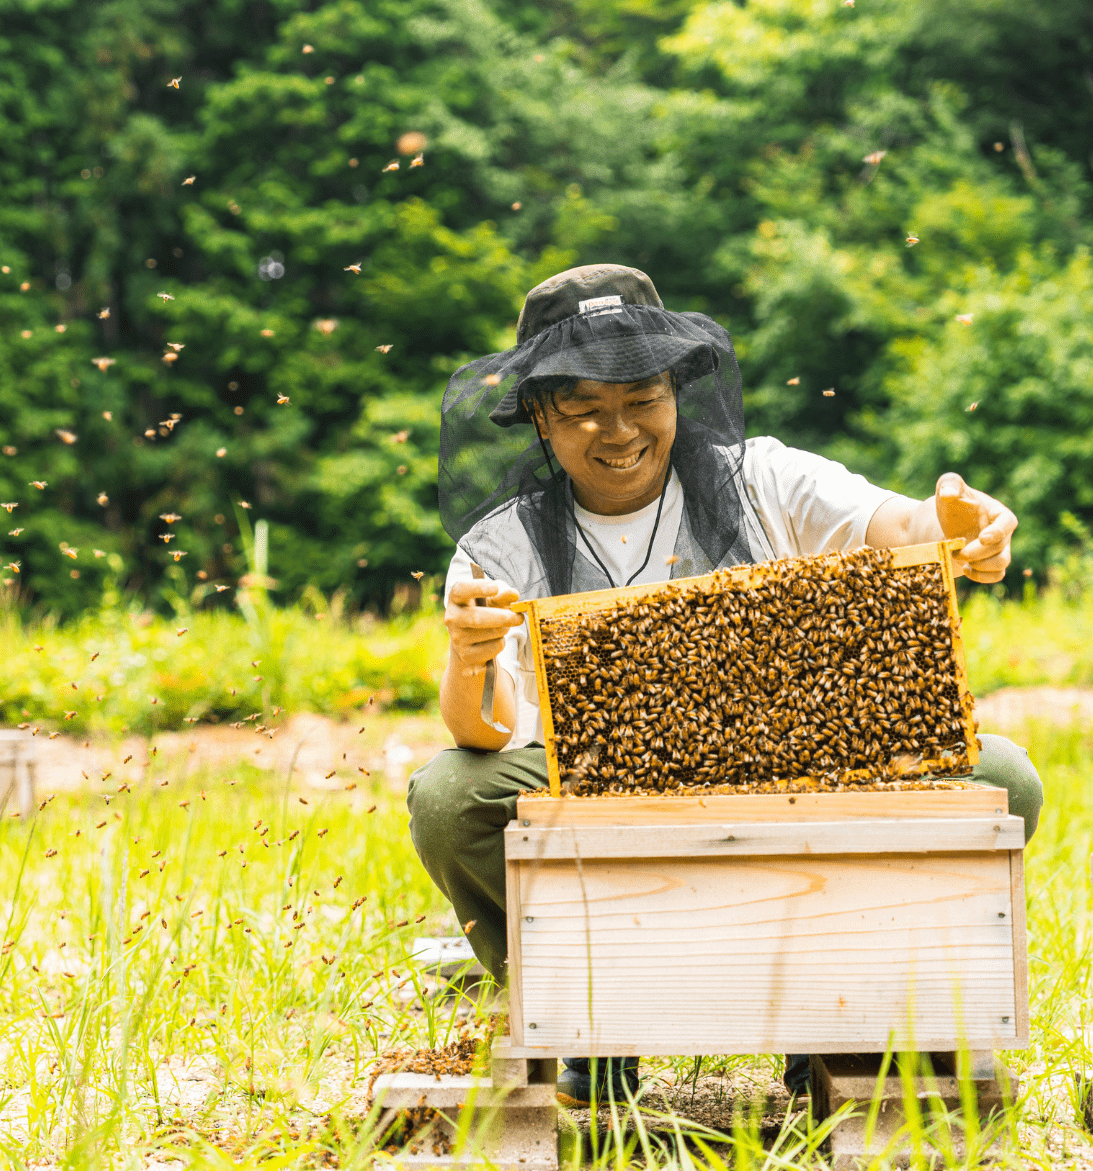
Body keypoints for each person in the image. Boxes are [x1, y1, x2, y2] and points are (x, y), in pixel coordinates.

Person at [407, 264, 1043, 1107]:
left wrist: (960, 524)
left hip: (791, 779)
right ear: (539, 415)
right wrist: (469, 656)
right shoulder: (501, 545)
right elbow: (482, 738)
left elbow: (898, 524)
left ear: (675, 389)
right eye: (584, 407)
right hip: (601, 807)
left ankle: (851, 1012)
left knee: (1000, 779)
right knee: (449, 797)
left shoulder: (765, 477)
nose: (619, 428)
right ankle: (589, 1016)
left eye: (641, 398)